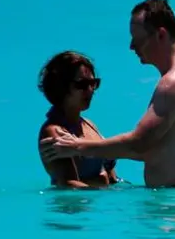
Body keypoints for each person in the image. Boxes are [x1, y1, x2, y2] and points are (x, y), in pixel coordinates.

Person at [39, 0, 175, 189]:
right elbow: (151, 150)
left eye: (138, 39)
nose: (132, 46)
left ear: (161, 35)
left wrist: (76, 147)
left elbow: (139, 143)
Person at [35, 51, 117, 188]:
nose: (90, 90)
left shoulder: (89, 125)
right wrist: (102, 184)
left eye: (93, 83)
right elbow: (69, 185)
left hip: (99, 203)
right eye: (82, 85)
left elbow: (110, 175)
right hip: (76, 208)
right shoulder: (54, 132)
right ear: (61, 87)